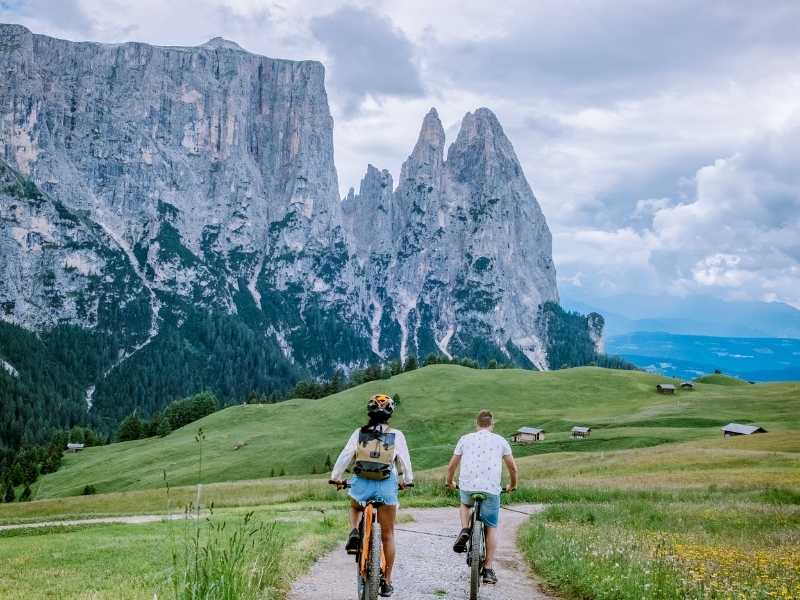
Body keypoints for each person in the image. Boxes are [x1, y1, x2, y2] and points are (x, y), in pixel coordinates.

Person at [330, 393, 413, 597]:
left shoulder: (359, 433)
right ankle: (387, 581)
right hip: (386, 486)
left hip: (362, 485)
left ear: (369, 413)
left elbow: (345, 456)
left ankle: (354, 532)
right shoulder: (397, 435)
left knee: (355, 505)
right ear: (390, 414)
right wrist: (407, 481)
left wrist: (336, 477)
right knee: (388, 535)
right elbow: (405, 463)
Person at [446, 409, 518, 585]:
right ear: (492, 424)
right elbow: (513, 468)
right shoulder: (500, 441)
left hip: (468, 486)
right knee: (491, 527)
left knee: (465, 504)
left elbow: (451, 466)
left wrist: (450, 482)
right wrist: (512, 485)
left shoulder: (465, 438)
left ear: (476, 424)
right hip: (491, 488)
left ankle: (465, 529)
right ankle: (487, 569)